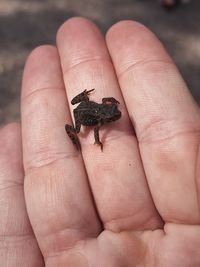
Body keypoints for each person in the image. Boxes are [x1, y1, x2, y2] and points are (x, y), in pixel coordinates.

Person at [0, 17, 200, 267]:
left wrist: (108, 103)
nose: (115, 117)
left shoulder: (106, 112)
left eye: (114, 116)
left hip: (86, 105)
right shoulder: (99, 122)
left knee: (82, 106)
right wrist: (96, 141)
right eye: (113, 116)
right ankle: (71, 133)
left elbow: (107, 102)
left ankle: (81, 103)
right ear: (107, 118)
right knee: (77, 130)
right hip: (83, 116)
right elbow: (94, 132)